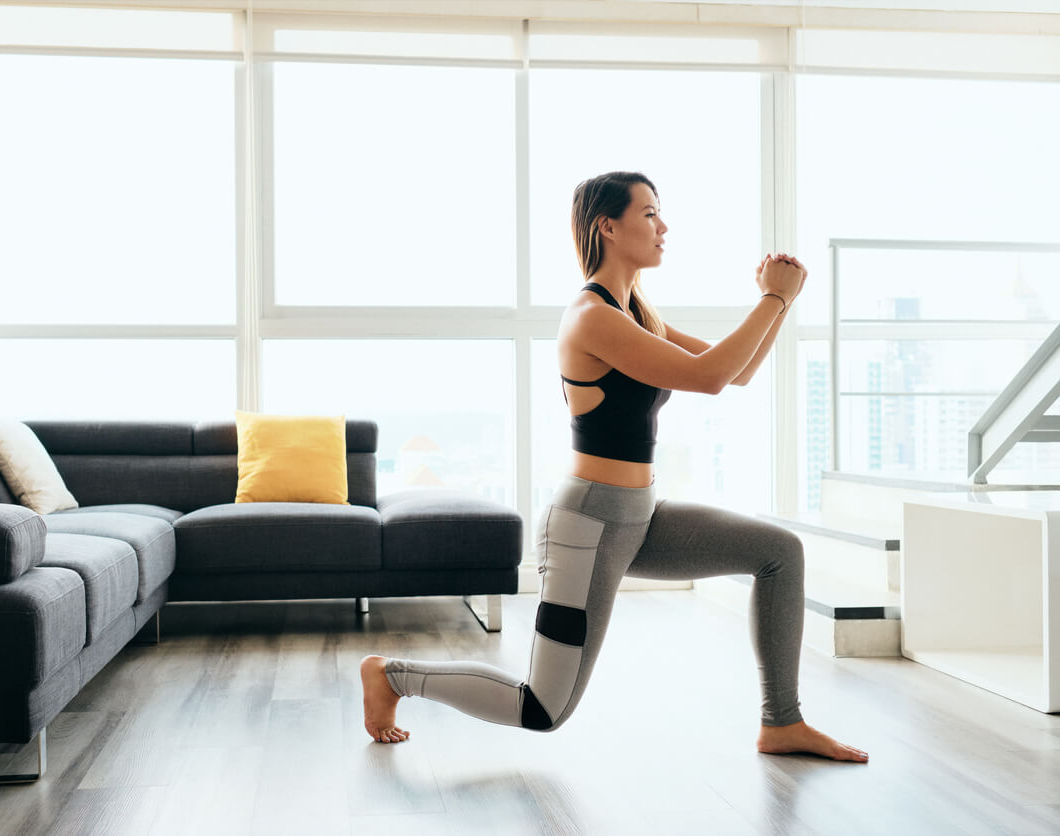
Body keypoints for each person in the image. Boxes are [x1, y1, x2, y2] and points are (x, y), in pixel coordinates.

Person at [361, 171, 868, 762]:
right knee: (543, 707)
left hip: (641, 516)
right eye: (649, 213)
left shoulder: (636, 313)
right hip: (590, 525)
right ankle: (392, 676)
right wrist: (772, 298)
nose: (663, 226)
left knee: (779, 553)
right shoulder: (592, 316)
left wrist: (782, 302)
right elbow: (708, 377)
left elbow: (738, 371)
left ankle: (782, 722)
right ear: (608, 226)